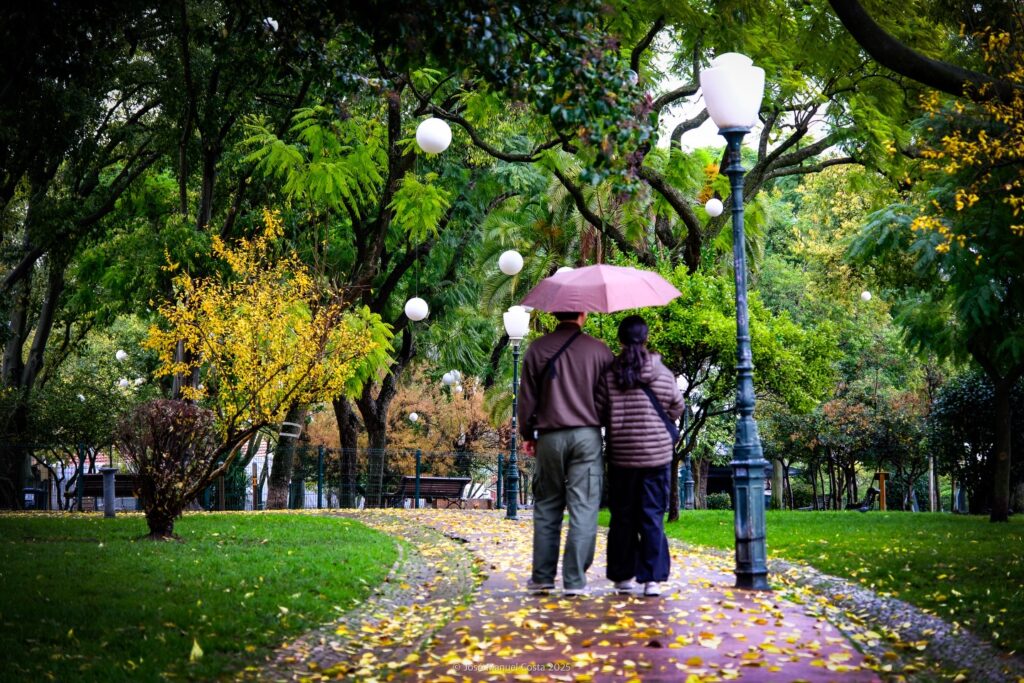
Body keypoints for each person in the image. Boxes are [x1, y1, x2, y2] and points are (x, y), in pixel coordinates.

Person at [518, 311, 613, 596]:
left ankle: (543, 577)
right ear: (583, 313)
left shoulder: (537, 349)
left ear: (554, 313)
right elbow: (608, 396)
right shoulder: (599, 350)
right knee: (584, 506)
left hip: (549, 436)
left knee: (547, 505)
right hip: (587, 435)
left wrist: (527, 434)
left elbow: (526, 397)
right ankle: (574, 580)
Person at [595, 315, 684, 597]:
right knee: (651, 515)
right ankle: (652, 580)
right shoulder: (661, 372)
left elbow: (598, 411)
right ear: (646, 339)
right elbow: (677, 406)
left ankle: (622, 577)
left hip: (622, 456)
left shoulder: (611, 374)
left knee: (622, 517)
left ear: (620, 341)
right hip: (657, 457)